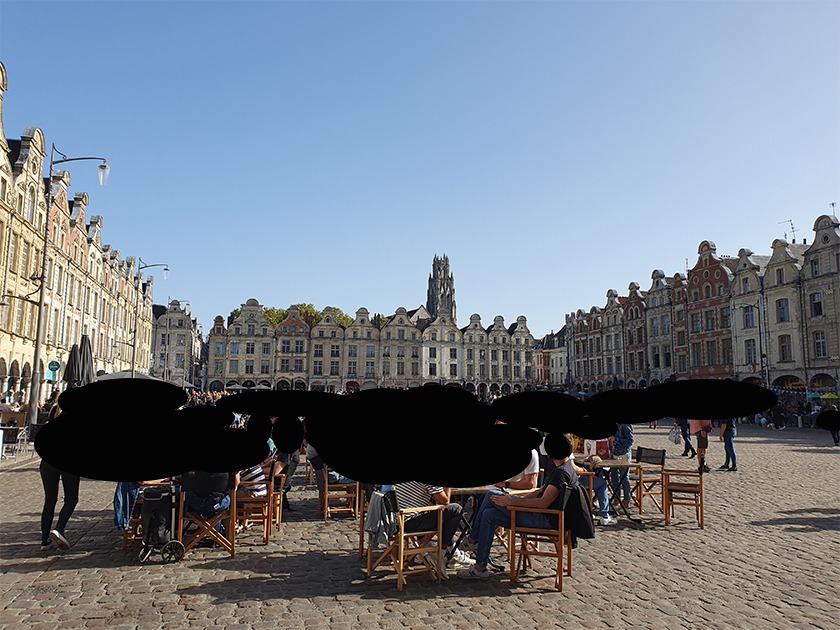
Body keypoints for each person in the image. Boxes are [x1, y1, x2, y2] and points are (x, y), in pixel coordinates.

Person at [457, 433, 579, 580]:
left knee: (490, 496)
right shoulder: (565, 469)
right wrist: (518, 498)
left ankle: (472, 540)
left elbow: (542, 502)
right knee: (489, 515)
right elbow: (540, 491)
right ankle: (480, 567)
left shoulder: (560, 474)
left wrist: (512, 502)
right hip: (546, 516)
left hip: (545, 520)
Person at [393, 480, 468, 569]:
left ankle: (426, 551)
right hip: (411, 521)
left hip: (396, 520)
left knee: (437, 513)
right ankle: (440, 554)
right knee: (455, 510)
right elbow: (445, 500)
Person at [39, 403, 80, 551]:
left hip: (47, 463)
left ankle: (44, 540)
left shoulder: (53, 417)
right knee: (71, 499)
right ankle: (59, 529)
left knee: (49, 500)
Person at [610, 423, 634, 509]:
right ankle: (616, 498)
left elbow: (630, 441)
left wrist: (616, 439)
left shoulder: (625, 425)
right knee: (614, 477)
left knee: (624, 478)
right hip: (614, 454)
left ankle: (626, 500)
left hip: (623, 454)